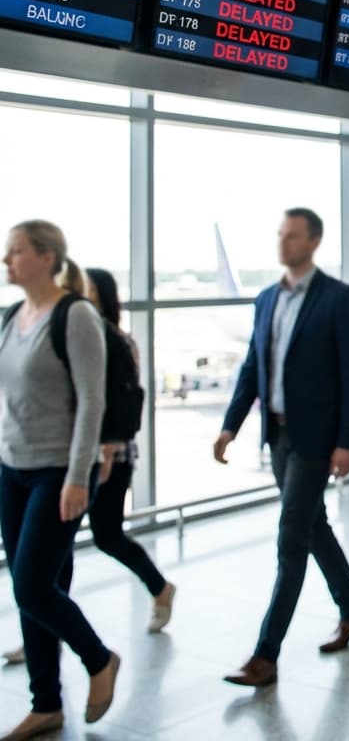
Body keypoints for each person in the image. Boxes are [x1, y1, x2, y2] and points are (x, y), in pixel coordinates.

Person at [214, 208, 349, 687]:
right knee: (312, 526)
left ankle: (265, 655)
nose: (283, 243)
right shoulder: (265, 299)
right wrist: (230, 426)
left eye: (293, 236)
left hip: (316, 440)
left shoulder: (338, 299)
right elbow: (250, 369)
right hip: (277, 435)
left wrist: (347, 444)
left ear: (314, 241)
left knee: (291, 539)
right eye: (280, 235)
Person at [0, 221, 120, 740]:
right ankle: (45, 703)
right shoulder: (10, 318)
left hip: (58, 472)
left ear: (46, 258)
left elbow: (93, 400)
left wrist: (78, 476)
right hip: (12, 470)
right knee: (37, 589)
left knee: (31, 587)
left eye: (16, 252)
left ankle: (99, 659)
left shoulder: (76, 316)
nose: (6, 261)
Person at [85, 268, 176, 631]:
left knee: (106, 534)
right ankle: (44, 631)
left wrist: (106, 451)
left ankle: (160, 587)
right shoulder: (80, 337)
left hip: (112, 454)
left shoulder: (117, 342)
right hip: (77, 454)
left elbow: (123, 404)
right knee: (54, 550)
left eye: (88, 291)